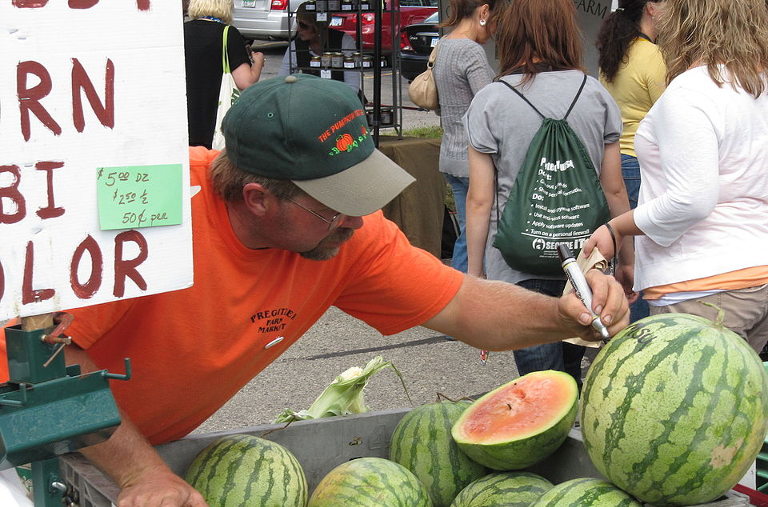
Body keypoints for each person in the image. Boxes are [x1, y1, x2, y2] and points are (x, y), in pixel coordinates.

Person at [1, 75, 628, 506]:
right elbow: (41, 370)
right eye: (335, 206)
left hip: (133, 450)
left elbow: (465, 305)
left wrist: (562, 312)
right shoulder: (150, 206)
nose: (357, 221)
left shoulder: (346, 240)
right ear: (258, 197)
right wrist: (140, 471)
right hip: (19, 442)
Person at [584, 0, 768, 352]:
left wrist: (615, 228)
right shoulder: (757, 85)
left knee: (692, 406)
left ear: (686, 17)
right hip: (757, 276)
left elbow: (692, 199)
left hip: (703, 285)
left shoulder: (692, 92)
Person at [464, 0, 631, 387]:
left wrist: (475, 274)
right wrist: (626, 259)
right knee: (572, 373)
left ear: (511, 32)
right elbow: (614, 186)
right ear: (564, 30)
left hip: (517, 268)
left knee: (539, 384)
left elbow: (479, 200)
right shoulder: (595, 94)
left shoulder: (490, 101)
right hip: (586, 259)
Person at [595, 0, 667, 322]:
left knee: (624, 253)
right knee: (640, 260)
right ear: (651, 7)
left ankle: (619, 329)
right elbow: (671, 116)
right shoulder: (652, 56)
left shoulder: (614, 50)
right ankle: (637, 335)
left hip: (612, 161)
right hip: (640, 165)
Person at [432, 0, 496, 273]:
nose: (494, 30)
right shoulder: (471, 51)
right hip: (475, 158)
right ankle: (463, 296)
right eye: (495, 20)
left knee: (467, 233)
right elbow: (489, 105)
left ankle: (459, 292)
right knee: (478, 236)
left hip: (450, 153)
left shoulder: (444, 44)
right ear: (483, 12)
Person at [184, 0, 265, 148]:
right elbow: (245, 82)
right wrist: (258, 62)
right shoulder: (227, 34)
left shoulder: (180, 31)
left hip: (184, 120)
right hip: (214, 120)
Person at [278, 2, 361, 94]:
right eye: (297, 23)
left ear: (318, 26)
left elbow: (353, 86)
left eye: (303, 25)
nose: (298, 29)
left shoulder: (344, 41)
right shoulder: (296, 46)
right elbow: (281, 80)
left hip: (341, 98)